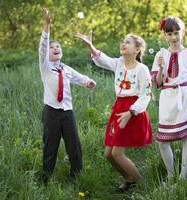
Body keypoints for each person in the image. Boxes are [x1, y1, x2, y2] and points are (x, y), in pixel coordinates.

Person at [76, 31, 152, 192]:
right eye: (123, 41)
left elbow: (146, 95)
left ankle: (144, 186)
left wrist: (131, 112)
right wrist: (91, 46)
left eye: (128, 42)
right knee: (108, 155)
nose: (123, 44)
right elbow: (103, 60)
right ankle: (128, 178)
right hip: (119, 108)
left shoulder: (142, 69)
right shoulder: (119, 63)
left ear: (137, 50)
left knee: (117, 153)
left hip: (133, 111)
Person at [39, 8, 96, 183]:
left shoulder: (66, 69)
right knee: (51, 146)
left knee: (74, 145)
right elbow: (42, 47)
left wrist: (88, 82)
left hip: (67, 112)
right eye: (52, 47)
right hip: (51, 112)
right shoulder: (46, 67)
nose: (55, 48)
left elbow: (80, 78)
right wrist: (47, 26)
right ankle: (46, 178)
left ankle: (76, 176)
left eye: (58, 47)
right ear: (47, 54)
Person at [151, 16, 187, 180]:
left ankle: (183, 176)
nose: (174, 37)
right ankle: (170, 174)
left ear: (182, 32)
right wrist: (160, 68)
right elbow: (158, 83)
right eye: (169, 34)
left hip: (186, 96)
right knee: (163, 141)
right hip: (167, 98)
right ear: (164, 35)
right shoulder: (160, 55)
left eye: (176, 32)